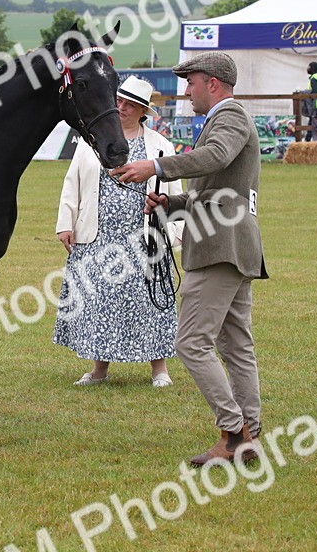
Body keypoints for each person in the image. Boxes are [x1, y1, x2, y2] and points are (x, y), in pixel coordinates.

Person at [110, 52, 267, 466]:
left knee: (191, 343)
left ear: (213, 83)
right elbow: (221, 191)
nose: (186, 90)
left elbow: (215, 158)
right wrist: (171, 203)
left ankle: (234, 434)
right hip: (232, 243)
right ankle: (249, 434)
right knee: (235, 346)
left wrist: (155, 166)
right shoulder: (227, 118)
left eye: (191, 82)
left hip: (220, 246)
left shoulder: (228, 117)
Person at [53, 76, 184, 388]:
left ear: (143, 111)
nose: (122, 108)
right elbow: (72, 184)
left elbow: (176, 192)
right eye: (119, 101)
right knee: (100, 303)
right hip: (98, 235)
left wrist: (174, 234)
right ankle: (99, 370)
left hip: (145, 238)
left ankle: (159, 369)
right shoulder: (91, 140)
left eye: (130, 104)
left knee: (152, 303)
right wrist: (65, 223)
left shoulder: (161, 146)